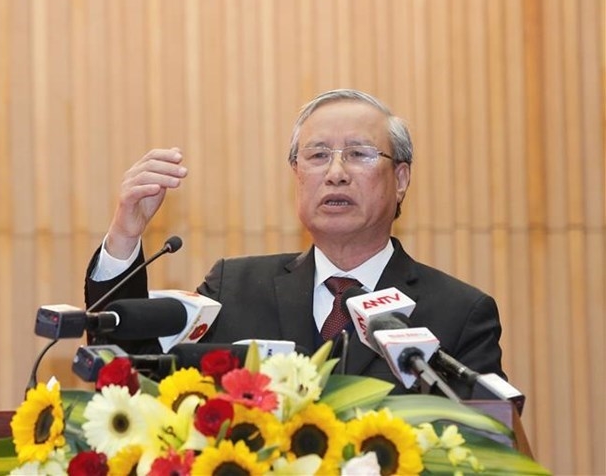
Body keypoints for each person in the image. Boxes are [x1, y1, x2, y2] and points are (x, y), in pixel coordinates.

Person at [85, 89, 506, 397]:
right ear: (297, 175)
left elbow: (487, 441)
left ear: (400, 179)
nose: (336, 173)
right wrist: (125, 234)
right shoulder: (234, 288)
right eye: (318, 155)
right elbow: (126, 376)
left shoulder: (459, 314)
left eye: (359, 154)